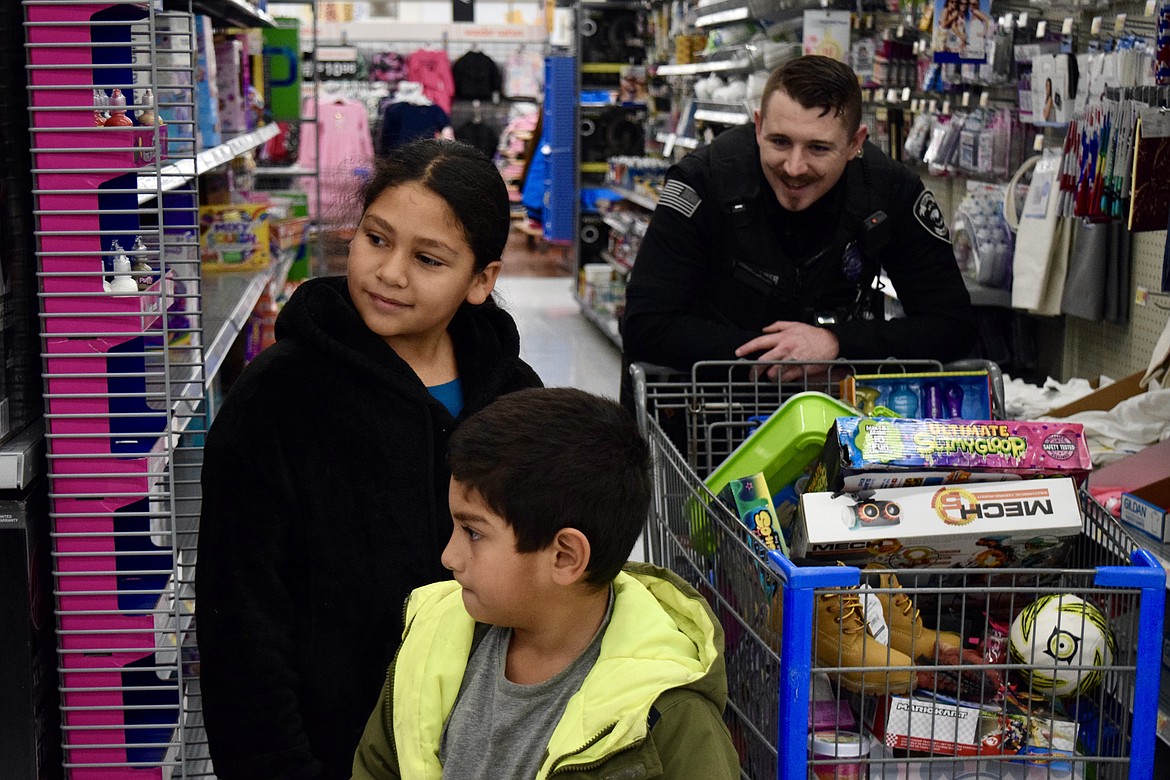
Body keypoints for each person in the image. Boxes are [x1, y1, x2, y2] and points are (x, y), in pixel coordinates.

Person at [196, 139, 543, 780]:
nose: (389, 272)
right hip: (333, 749)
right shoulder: (278, 399)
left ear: (481, 280)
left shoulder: (517, 398)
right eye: (376, 239)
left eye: (428, 259)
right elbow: (240, 623)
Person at [351, 388, 741, 780]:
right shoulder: (432, 639)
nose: (448, 557)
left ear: (565, 556)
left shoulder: (667, 716)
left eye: (472, 532)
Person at [621, 56, 976, 382]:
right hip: (708, 411)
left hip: (836, 411)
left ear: (856, 143)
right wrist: (780, 357)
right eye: (779, 141)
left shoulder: (889, 192)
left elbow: (952, 325)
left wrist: (836, 344)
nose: (794, 167)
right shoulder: (703, 181)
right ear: (758, 126)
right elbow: (645, 324)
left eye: (818, 148)